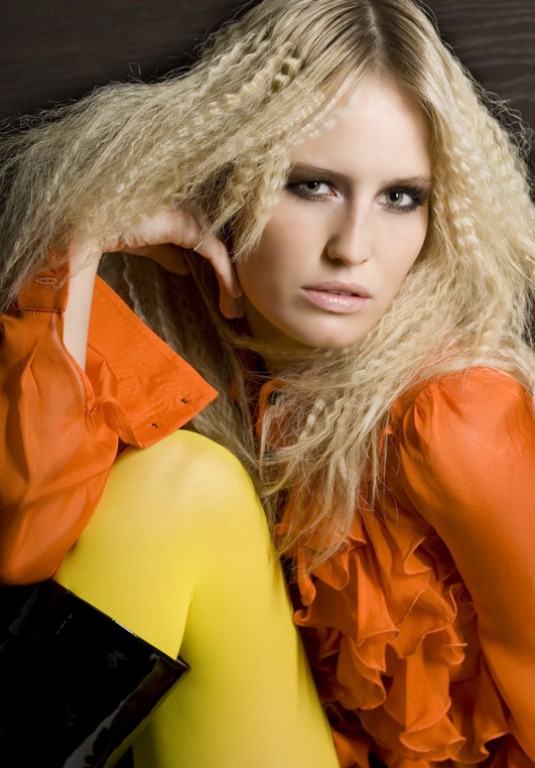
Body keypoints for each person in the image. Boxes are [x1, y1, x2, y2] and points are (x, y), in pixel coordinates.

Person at [1, 0, 535, 766]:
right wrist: (81, 245)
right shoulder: (225, 364)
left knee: (184, 483)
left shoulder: (458, 418)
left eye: (400, 197)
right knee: (178, 478)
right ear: (230, 181)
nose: (352, 247)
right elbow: (24, 545)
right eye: (311, 185)